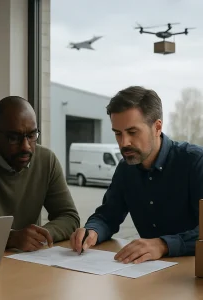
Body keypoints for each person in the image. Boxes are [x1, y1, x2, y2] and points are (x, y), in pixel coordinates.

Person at [71, 86, 203, 263]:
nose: (124, 143)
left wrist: (163, 245)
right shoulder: (126, 168)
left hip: (191, 274)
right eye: (118, 133)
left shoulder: (195, 162)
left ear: (157, 127)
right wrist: (92, 231)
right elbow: (107, 216)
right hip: (145, 273)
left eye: (132, 132)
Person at [0, 96, 80, 252]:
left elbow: (69, 217)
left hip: (30, 261)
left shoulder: (46, 160)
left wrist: (42, 235)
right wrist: (12, 238)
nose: (26, 147)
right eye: (14, 138)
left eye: (32, 135)